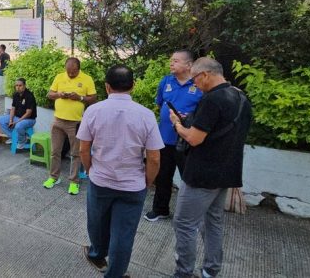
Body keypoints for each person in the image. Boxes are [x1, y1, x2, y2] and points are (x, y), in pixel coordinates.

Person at [169, 57, 252, 278]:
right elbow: (222, 129)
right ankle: (210, 270)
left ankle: (183, 273)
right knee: (213, 221)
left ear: (204, 74)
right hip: (227, 172)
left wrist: (178, 124)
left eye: (195, 79)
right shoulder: (240, 97)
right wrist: (192, 121)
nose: (195, 85)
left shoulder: (212, 99)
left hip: (202, 174)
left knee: (184, 224)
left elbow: (194, 139)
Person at [78, 65, 163, 278]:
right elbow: (154, 157)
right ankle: (115, 274)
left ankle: (97, 254)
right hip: (133, 185)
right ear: (133, 85)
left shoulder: (93, 111)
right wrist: (146, 181)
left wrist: (91, 171)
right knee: (123, 235)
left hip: (100, 181)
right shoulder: (146, 115)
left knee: (97, 222)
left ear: (107, 87)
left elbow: (83, 149)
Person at [145, 50, 203, 222]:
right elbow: (159, 104)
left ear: (189, 65)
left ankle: (191, 216)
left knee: (189, 179)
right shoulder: (166, 81)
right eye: (171, 61)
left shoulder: (199, 84)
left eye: (176, 61)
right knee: (163, 176)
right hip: (165, 139)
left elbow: (206, 113)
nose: (171, 64)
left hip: (187, 140)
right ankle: (160, 209)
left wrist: (190, 119)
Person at [43, 57, 97, 195]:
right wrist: (59, 94)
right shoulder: (60, 77)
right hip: (58, 120)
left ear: (78, 69)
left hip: (75, 123)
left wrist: (79, 98)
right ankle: (53, 177)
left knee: (76, 153)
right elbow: (50, 94)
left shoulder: (87, 79)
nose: (70, 74)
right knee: (55, 151)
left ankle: (74, 182)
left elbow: (93, 98)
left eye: (73, 72)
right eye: (68, 71)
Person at [0, 78, 37, 150]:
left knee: (18, 126)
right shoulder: (15, 95)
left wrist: (16, 122)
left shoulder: (29, 96)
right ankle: (13, 137)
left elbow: (28, 113)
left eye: (20, 85)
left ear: (24, 86)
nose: (18, 87)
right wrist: (10, 120)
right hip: (17, 117)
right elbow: (13, 108)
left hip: (28, 119)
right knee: (0, 119)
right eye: (16, 85)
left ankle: (22, 141)